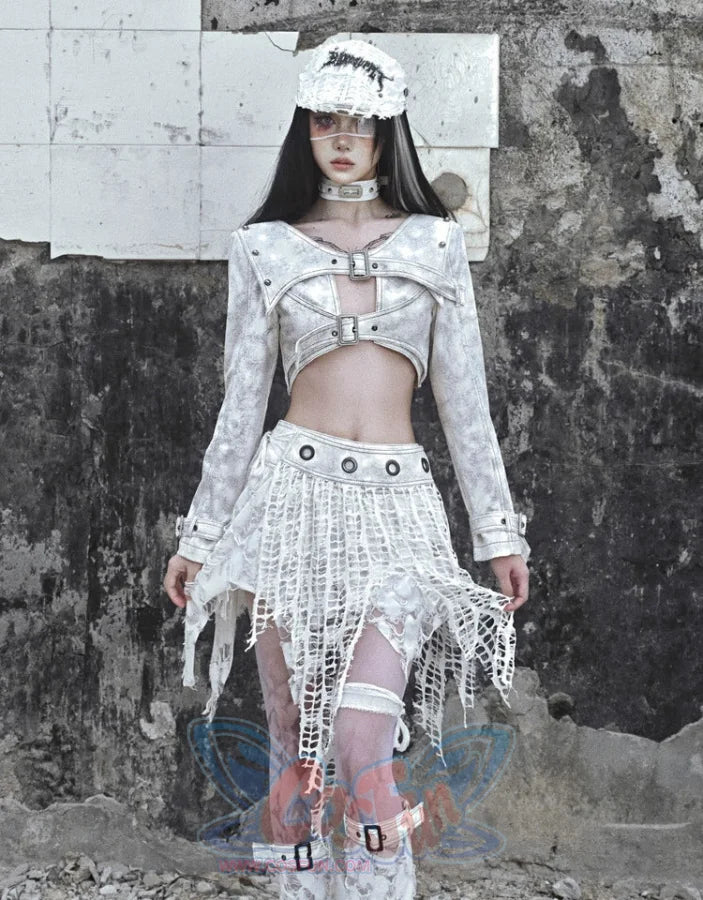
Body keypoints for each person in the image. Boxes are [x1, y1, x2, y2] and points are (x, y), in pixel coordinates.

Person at [163, 38, 531, 899]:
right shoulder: (263, 247)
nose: (340, 137)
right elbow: (240, 404)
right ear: (305, 131)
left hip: (397, 512)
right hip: (287, 502)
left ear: (386, 131)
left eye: (358, 123)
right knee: (291, 732)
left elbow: (465, 403)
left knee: (362, 739)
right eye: (323, 120)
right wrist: (201, 537)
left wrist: (498, 534)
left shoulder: (437, 244)